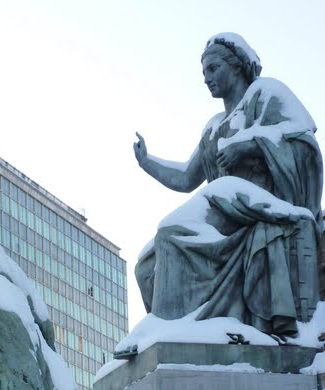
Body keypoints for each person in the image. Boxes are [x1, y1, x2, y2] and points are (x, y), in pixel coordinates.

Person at [133, 33, 323, 339]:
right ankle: (174, 330)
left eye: (213, 68)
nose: (206, 78)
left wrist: (251, 145)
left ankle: (176, 330)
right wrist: (147, 161)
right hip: (224, 205)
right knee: (147, 263)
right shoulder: (212, 125)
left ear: (236, 66)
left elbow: (303, 139)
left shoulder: (264, 93)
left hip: (257, 203)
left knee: (170, 234)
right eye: (204, 73)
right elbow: (186, 177)